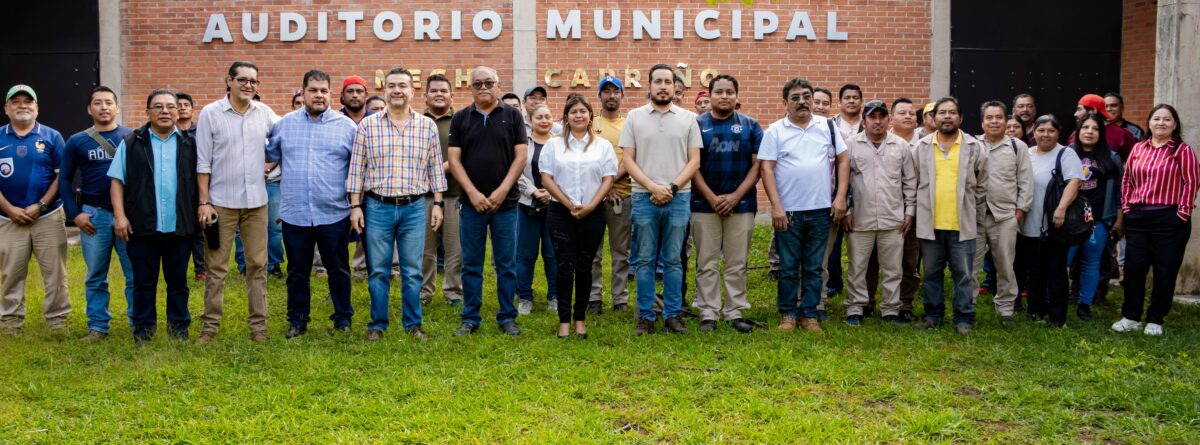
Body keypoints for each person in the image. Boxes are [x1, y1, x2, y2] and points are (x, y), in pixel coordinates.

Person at [348, 68, 446, 341]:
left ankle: (413, 325)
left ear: (412, 91)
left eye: (402, 85)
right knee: (378, 270)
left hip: (414, 208)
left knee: (412, 271)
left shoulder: (427, 126)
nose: (397, 90)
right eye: (391, 85)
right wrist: (355, 206)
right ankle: (377, 324)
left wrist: (438, 204)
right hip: (377, 207)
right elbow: (356, 170)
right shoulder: (368, 126)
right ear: (385, 90)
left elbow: (436, 169)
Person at [266, 70, 358, 339]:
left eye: (324, 91)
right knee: (297, 271)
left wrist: (355, 205)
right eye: (313, 90)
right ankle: (297, 320)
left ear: (331, 94)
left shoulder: (347, 127)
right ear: (303, 92)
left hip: (334, 212)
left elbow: (357, 168)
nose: (319, 95)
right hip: (295, 213)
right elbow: (271, 155)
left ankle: (342, 317)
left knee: (338, 269)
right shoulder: (285, 125)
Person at [194, 60, 278, 344]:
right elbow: (203, 162)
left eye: (253, 81)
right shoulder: (211, 113)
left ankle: (259, 327)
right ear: (229, 81)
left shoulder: (265, 113)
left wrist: (270, 167)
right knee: (216, 269)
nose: (248, 85)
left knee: (257, 266)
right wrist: (204, 202)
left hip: (256, 204)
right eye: (243, 79)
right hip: (220, 205)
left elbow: (285, 142)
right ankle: (210, 327)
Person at [109, 89, 199, 343]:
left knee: (178, 283)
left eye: (170, 106)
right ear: (147, 111)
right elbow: (116, 181)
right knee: (143, 283)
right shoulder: (131, 142)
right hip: (142, 226)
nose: (164, 111)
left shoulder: (191, 144)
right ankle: (143, 331)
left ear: (178, 111)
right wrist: (120, 217)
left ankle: (178, 329)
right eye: (158, 106)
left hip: (179, 225)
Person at [760, 77, 848, 334]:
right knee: (788, 266)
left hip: (821, 209)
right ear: (785, 103)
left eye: (806, 97)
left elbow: (843, 160)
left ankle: (809, 314)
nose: (802, 102)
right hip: (789, 211)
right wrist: (776, 206)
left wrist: (840, 197)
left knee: (814, 265)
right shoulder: (775, 131)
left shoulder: (827, 127)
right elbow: (767, 168)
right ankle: (788, 314)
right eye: (796, 98)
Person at [447, 66, 528, 336]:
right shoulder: (461, 118)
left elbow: (521, 157)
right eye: (477, 83)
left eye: (489, 83)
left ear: (498, 85)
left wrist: (503, 190)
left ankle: (507, 317)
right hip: (472, 205)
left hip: (505, 205)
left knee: (506, 264)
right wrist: (472, 193)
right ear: (470, 88)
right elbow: (454, 161)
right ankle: (470, 318)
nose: (483, 87)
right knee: (471, 264)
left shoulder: (513, 116)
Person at [623, 63, 702, 335]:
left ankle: (672, 315)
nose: (663, 86)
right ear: (649, 85)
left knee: (673, 260)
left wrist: (671, 187)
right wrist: (652, 187)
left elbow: (694, 160)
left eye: (668, 82)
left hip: (678, 197)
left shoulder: (689, 119)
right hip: (644, 197)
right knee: (644, 260)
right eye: (658, 81)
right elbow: (628, 160)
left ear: (675, 87)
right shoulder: (634, 117)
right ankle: (646, 316)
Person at [1112, 104, 1198, 336]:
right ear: (1149, 123)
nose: (1161, 123)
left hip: (1169, 218)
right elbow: (1127, 180)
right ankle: (1131, 316)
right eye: (1157, 118)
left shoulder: (1182, 150)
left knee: (1165, 270)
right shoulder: (1139, 148)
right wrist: (1128, 208)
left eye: (1167, 119)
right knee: (1134, 268)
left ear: (1175, 124)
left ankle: (1155, 319)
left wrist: (1182, 214)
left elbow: (1191, 183)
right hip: (1138, 218)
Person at [60, 86, 135, 340]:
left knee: (134, 274)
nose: (104, 107)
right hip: (93, 216)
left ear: (117, 108)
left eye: (108, 102)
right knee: (95, 276)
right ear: (89, 109)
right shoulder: (77, 141)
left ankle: (139, 324)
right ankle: (98, 326)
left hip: (127, 216)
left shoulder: (131, 137)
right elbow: (64, 180)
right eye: (98, 103)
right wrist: (75, 214)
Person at [540, 96, 616, 338]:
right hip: (561, 212)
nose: (579, 115)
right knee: (564, 265)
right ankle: (564, 320)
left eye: (583, 111)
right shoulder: (553, 145)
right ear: (566, 117)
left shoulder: (602, 146)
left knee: (585, 265)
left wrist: (591, 206)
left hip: (593, 212)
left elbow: (608, 178)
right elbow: (546, 178)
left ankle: (580, 318)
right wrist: (568, 204)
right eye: (573, 112)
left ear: (590, 116)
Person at [690, 74, 761, 333]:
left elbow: (757, 167)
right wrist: (711, 197)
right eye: (719, 92)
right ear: (709, 96)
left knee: (736, 262)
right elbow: (692, 165)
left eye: (729, 92)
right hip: (703, 204)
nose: (724, 96)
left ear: (736, 96)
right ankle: (708, 311)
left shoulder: (750, 125)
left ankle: (735, 311)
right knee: (706, 261)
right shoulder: (696, 125)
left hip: (741, 205)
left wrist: (735, 197)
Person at [912, 97, 987, 335]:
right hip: (930, 224)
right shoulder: (921, 147)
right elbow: (914, 182)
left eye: (952, 112)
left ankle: (964, 317)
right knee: (931, 274)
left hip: (962, 223)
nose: (947, 116)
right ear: (933, 118)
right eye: (942, 112)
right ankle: (933, 315)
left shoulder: (974, 147)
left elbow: (982, 185)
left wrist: (976, 216)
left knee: (964, 275)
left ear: (960, 118)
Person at [0, 84, 70, 335]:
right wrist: (10, 209)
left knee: (55, 274)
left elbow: (62, 177)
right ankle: (10, 322)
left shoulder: (52, 136)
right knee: (10, 274)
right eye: (16, 101)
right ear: (6, 108)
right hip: (8, 219)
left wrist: (41, 206)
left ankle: (57, 321)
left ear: (36, 108)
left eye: (28, 101)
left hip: (48, 217)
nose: (22, 105)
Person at [842, 100, 916, 326]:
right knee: (857, 267)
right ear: (864, 121)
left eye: (882, 116)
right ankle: (855, 308)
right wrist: (846, 210)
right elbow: (842, 181)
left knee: (893, 269)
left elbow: (910, 181)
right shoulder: (850, 145)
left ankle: (890, 310)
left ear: (888, 120)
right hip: (859, 218)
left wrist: (909, 211)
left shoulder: (901, 146)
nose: (877, 121)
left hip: (892, 218)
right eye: (872, 117)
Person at [1014, 115, 1082, 328]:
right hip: (1028, 222)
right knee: (1034, 270)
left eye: (1051, 131)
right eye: (1041, 130)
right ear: (1034, 132)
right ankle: (1035, 311)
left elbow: (1074, 182)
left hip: (1054, 223)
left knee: (1056, 269)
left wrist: (1061, 209)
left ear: (1058, 133)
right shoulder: (1026, 153)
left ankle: (1057, 317)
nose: (1046, 135)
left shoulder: (1065, 153)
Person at [971, 101, 1033, 326]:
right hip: (975, 217)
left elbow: (1025, 182)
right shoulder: (972, 145)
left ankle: (1006, 308)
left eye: (999, 117)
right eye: (989, 117)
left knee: (1005, 265)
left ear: (1006, 121)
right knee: (970, 265)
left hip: (1005, 217)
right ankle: (967, 307)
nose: (994, 121)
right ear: (982, 122)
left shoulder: (1017, 147)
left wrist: (1019, 213)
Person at [1065, 113, 1123, 321]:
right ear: (1078, 131)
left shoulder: (1112, 157)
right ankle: (1056, 301)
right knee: (1064, 261)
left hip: (1098, 220)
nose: (1089, 132)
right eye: (1085, 127)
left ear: (1101, 133)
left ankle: (1085, 305)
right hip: (1069, 220)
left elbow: (1118, 193)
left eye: (1095, 128)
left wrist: (1119, 220)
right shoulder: (1066, 153)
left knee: (1091, 262)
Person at [588, 75, 633, 313]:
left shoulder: (630, 124)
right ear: (599, 96)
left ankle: (620, 299)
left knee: (621, 252)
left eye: (616, 91)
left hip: (622, 196)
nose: (611, 95)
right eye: (606, 91)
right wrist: (605, 187)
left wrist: (610, 183)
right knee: (593, 252)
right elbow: (586, 158)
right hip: (594, 198)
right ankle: (593, 297)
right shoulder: (590, 123)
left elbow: (632, 158)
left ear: (622, 95)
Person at [420, 73, 463, 307]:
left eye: (443, 91)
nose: (439, 94)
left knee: (455, 249)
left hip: (454, 194)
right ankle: (424, 292)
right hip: (423, 196)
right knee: (425, 250)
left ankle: (453, 292)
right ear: (425, 96)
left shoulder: (461, 121)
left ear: (451, 95)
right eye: (434, 90)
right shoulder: (416, 121)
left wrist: (439, 170)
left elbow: (465, 154)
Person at [516, 104, 559, 314]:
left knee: (553, 255)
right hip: (527, 204)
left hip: (555, 206)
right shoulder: (522, 142)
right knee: (525, 255)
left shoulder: (561, 143)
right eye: (539, 117)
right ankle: (525, 298)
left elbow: (567, 171)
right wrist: (534, 191)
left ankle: (554, 297)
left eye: (548, 117)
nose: (544, 121)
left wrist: (551, 193)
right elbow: (515, 171)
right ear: (530, 121)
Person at [893, 98, 923, 321]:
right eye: (902, 113)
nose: (908, 116)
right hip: (886, 210)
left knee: (910, 259)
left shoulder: (926, 144)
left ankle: (905, 303)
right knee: (875, 260)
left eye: (911, 113)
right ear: (891, 118)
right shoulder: (883, 141)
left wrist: (911, 210)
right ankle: (868, 302)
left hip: (916, 211)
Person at [1073, 94, 1137, 161]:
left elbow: (1132, 163)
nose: (1075, 114)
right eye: (1085, 127)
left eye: (1079, 109)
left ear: (1093, 110)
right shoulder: (1076, 134)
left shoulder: (1123, 135)